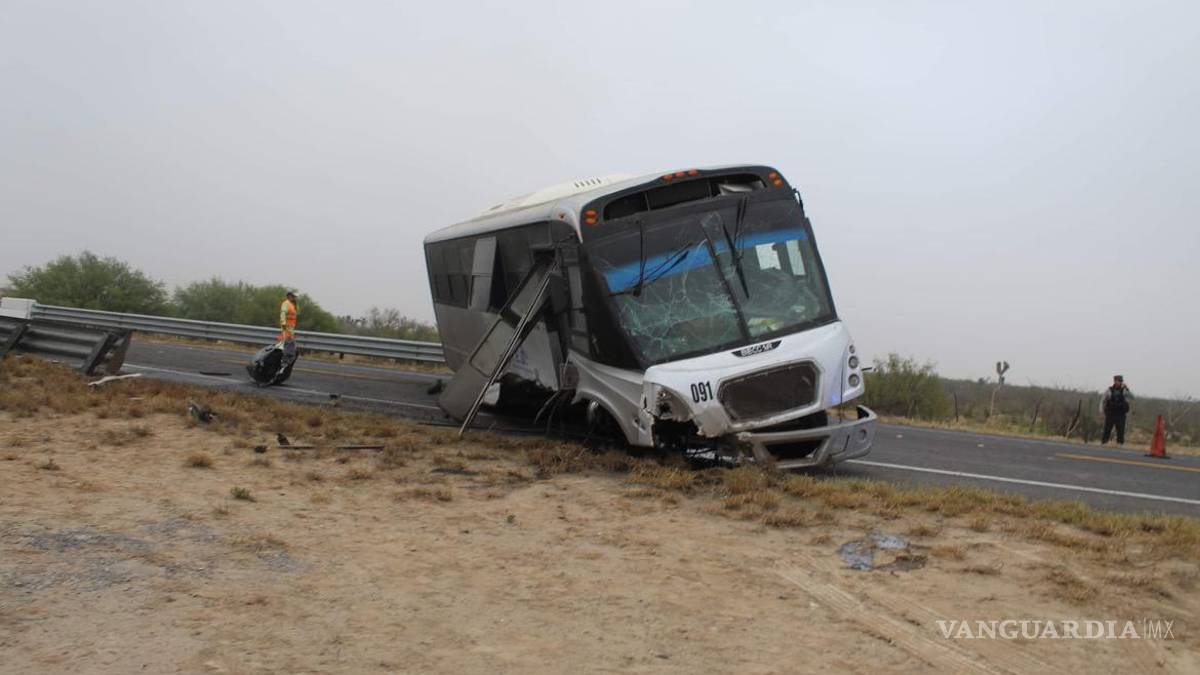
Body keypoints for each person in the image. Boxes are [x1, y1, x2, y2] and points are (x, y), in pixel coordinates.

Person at [1100, 375, 1133, 445]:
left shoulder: (1124, 390)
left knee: (1120, 432)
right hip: (1110, 413)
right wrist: (1101, 411)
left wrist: (1127, 389)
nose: (1119, 382)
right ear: (1114, 381)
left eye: (1120, 381)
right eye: (1118, 381)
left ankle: (1120, 445)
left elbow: (1132, 397)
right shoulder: (1109, 390)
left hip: (1121, 414)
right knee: (1107, 430)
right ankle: (1104, 444)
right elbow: (1102, 400)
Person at [279, 290, 299, 365]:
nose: (295, 298)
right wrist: (283, 323)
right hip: (286, 326)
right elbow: (283, 313)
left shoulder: (292, 304)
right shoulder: (286, 303)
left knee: (288, 343)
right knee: (288, 342)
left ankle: (286, 360)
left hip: (291, 327)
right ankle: (285, 361)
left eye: (295, 297)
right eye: (293, 296)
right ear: (289, 296)